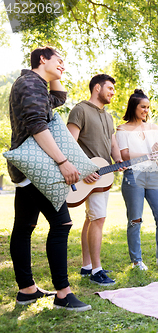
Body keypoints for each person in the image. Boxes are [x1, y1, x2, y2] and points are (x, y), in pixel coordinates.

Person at [7, 46, 90, 311]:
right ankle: (63, 294)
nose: (63, 66)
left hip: (26, 168)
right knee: (61, 223)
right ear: (42, 59)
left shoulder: (35, 84)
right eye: (59, 61)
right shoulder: (30, 83)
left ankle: (27, 290)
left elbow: (59, 97)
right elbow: (37, 125)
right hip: (36, 167)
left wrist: (54, 72)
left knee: (24, 226)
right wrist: (63, 162)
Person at [67, 74, 125, 286]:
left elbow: (112, 142)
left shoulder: (109, 117)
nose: (112, 92)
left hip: (103, 175)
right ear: (97, 88)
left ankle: (87, 266)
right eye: (109, 88)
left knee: (92, 219)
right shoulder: (80, 110)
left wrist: (118, 159)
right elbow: (70, 144)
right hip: (87, 176)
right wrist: (83, 170)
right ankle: (96, 271)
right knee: (98, 219)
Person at [115, 89, 158, 270]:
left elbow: (157, 151)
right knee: (135, 220)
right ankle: (137, 261)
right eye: (143, 107)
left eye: (148, 107)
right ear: (133, 107)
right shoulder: (122, 129)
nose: (146, 110)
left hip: (154, 175)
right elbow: (125, 155)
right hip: (133, 175)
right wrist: (149, 154)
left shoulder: (153, 128)